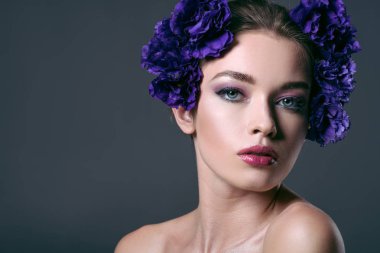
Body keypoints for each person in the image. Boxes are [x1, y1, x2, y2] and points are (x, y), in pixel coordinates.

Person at [115, 0, 360, 252]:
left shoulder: (303, 234)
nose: (265, 124)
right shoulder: (141, 246)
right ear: (185, 110)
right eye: (232, 93)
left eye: (289, 101)